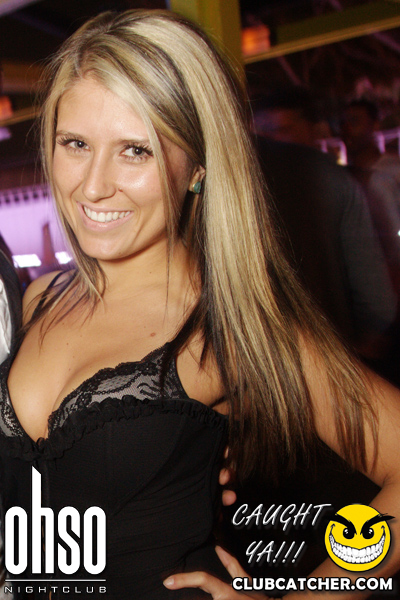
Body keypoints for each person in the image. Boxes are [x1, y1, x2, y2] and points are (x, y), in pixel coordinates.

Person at [0, 10, 399, 600]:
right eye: (75, 144)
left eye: (136, 151)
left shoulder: (229, 327)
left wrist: (311, 595)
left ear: (198, 168)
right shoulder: (39, 299)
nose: (93, 185)